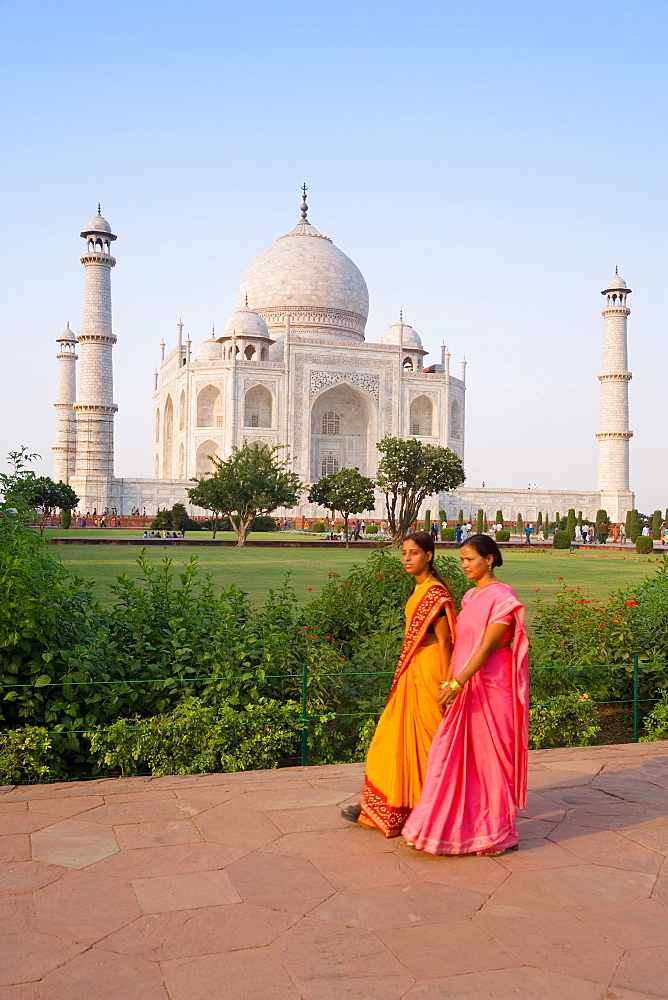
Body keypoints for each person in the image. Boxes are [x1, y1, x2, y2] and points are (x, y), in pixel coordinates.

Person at [402, 534, 529, 857]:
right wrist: (451, 680)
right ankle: (452, 826)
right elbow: (461, 643)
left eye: (470, 559)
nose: (465, 566)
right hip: (465, 683)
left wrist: (456, 683)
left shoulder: (503, 597)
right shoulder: (471, 597)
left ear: (489, 559)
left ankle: (502, 833)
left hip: (492, 686)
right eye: (462, 560)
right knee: (453, 756)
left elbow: (487, 647)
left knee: (490, 762)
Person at [342, 531, 456, 837]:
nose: (407, 558)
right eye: (404, 553)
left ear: (429, 555)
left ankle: (434, 811)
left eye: (414, 553)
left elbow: (445, 640)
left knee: (430, 744)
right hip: (413, 670)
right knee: (392, 739)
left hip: (431, 669)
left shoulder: (435, 592)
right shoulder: (420, 589)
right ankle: (388, 806)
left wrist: (448, 685)